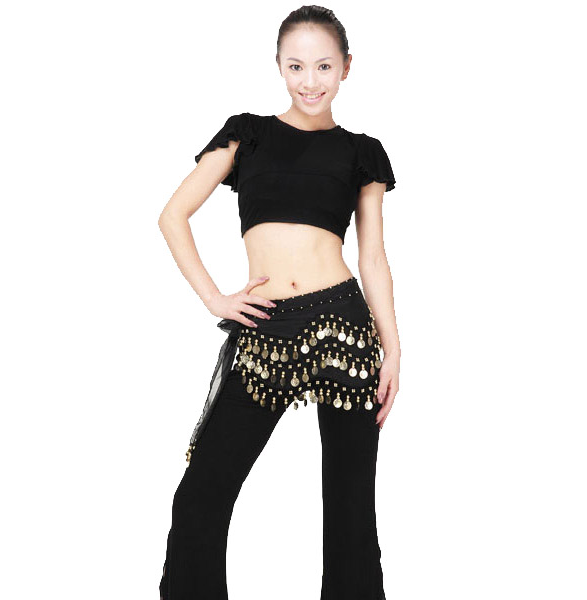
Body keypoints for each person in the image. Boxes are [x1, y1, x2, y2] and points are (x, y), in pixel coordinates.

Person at [157, 6, 400, 599]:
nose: (310, 81)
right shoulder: (248, 134)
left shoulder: (361, 152)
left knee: (350, 507)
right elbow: (173, 216)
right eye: (296, 66)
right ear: (279, 67)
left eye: (324, 66)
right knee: (202, 492)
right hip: (265, 325)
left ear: (346, 67)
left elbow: (372, 258)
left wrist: (393, 350)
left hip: (343, 329)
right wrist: (215, 298)